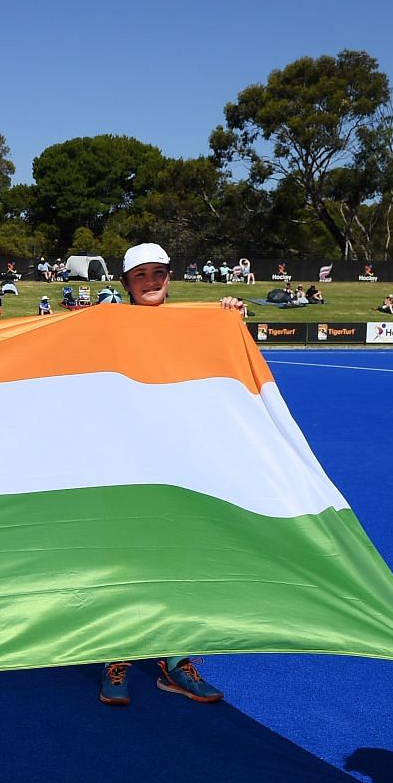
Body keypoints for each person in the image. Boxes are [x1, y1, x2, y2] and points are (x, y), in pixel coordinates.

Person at [98, 243, 245, 706]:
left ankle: (175, 659)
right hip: (124, 468)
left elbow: (230, 373)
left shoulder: (198, 323)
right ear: (125, 283)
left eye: (159, 272)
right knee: (124, 563)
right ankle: (116, 653)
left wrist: (229, 319)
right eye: (140, 274)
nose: (151, 281)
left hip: (182, 467)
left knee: (181, 564)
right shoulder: (107, 327)